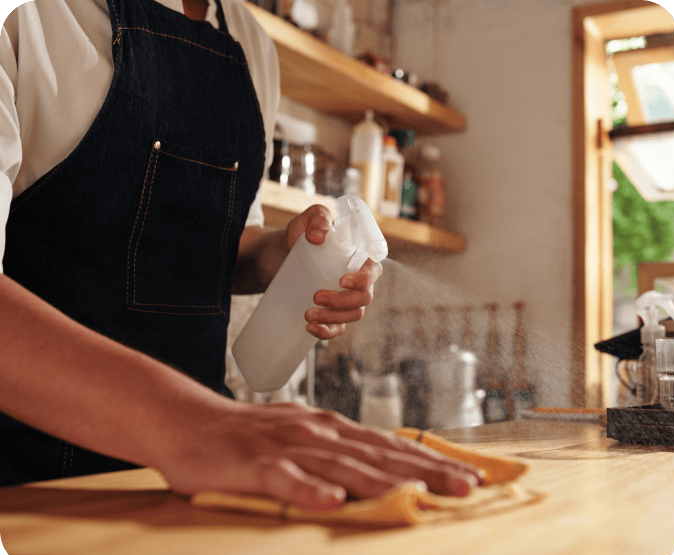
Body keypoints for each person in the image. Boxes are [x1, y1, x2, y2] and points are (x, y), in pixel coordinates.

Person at [0, 0, 485, 510]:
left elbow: (228, 244)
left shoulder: (249, 41)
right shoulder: (34, 15)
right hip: (26, 479)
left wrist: (287, 255)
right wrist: (197, 426)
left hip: (205, 479)